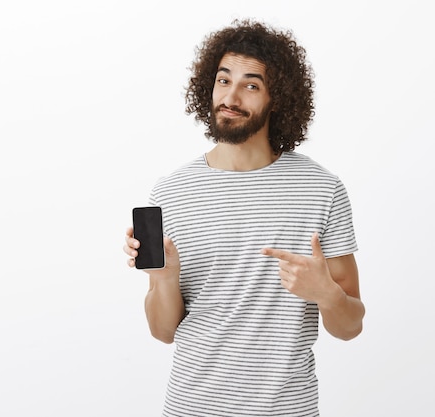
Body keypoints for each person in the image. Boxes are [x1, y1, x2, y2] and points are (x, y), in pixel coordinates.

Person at [123, 19, 365, 417]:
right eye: (223, 80)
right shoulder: (172, 192)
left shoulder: (322, 190)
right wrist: (166, 279)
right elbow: (163, 332)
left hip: (287, 409)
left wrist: (325, 293)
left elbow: (350, 326)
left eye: (251, 85)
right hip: (191, 407)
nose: (231, 96)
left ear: (277, 98)